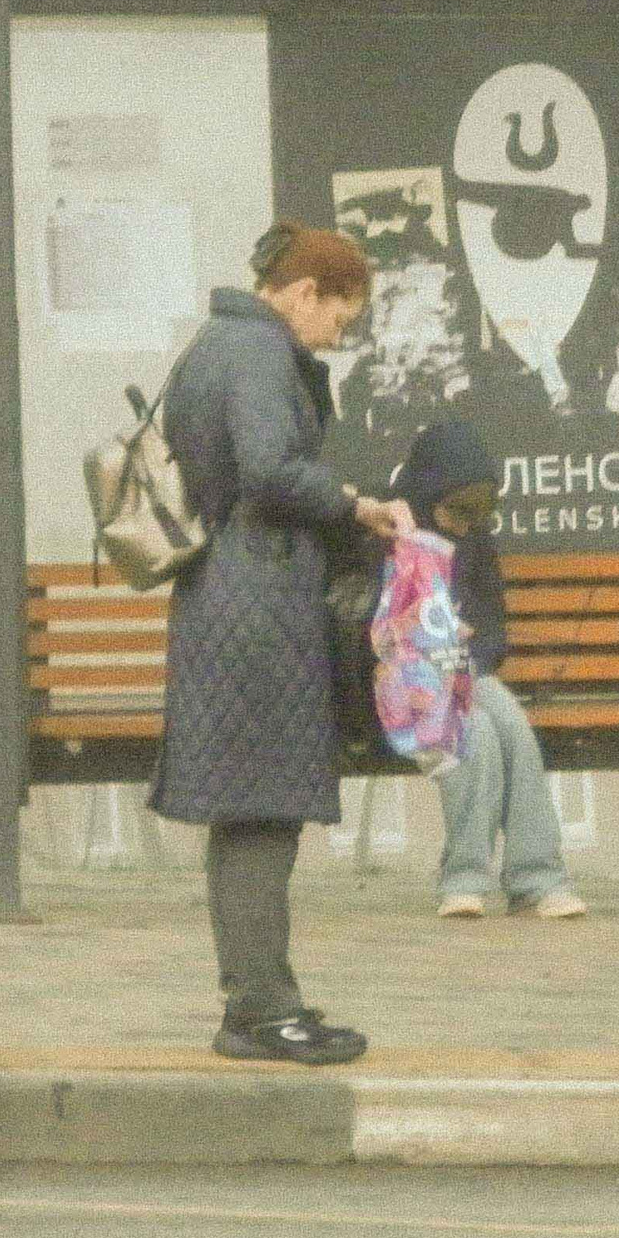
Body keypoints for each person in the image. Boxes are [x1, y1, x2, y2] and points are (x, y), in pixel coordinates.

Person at [149, 223, 414, 1064]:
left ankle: (258, 998)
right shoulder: (260, 354)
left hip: (225, 598)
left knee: (249, 811)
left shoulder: (212, 347)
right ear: (305, 293)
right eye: (342, 314)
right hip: (257, 605)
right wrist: (354, 503)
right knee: (263, 810)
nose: (342, 333)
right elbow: (268, 470)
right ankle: (263, 1009)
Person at [391, 419, 588, 922]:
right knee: (472, 729)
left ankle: (538, 879)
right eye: (457, 509)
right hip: (402, 688)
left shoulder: (475, 541)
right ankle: (464, 879)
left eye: (482, 511)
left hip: (463, 674)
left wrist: (470, 652)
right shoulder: (391, 537)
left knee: (513, 727)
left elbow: (492, 623)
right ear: (424, 495)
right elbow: (372, 629)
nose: (468, 522)